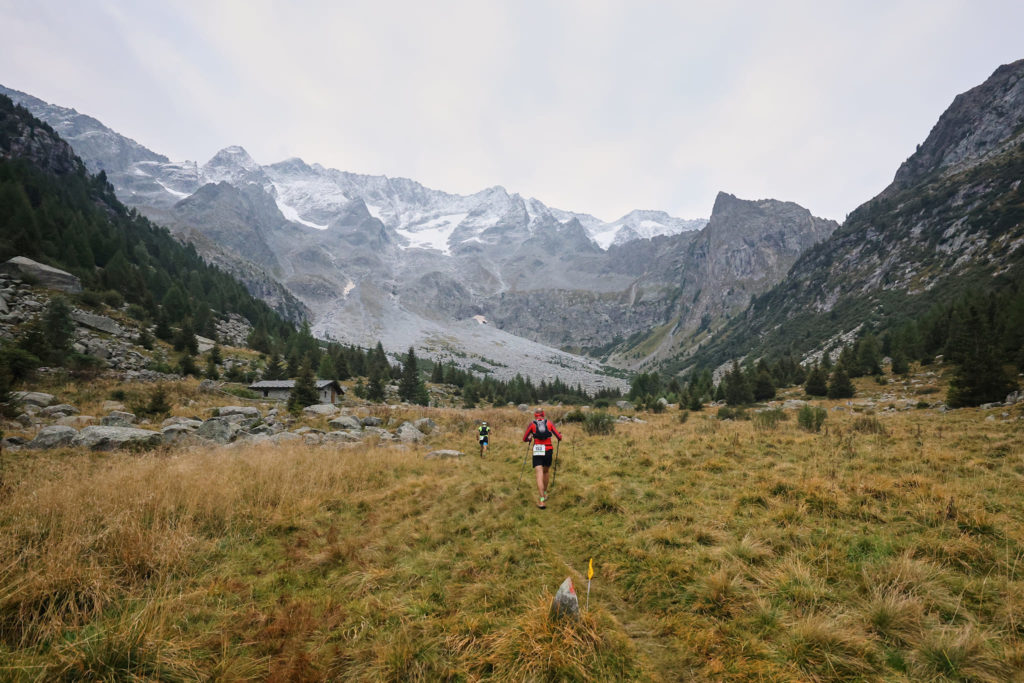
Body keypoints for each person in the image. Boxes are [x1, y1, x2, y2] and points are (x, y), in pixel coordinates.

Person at [522, 409, 562, 509]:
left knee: (539, 474)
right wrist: (560, 435)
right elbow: (559, 437)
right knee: (546, 472)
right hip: (548, 449)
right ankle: (544, 493)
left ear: (535, 415)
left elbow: (524, 439)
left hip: (537, 450)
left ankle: (542, 501)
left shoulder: (532, 424)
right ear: (543, 415)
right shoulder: (549, 423)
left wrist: (530, 439)